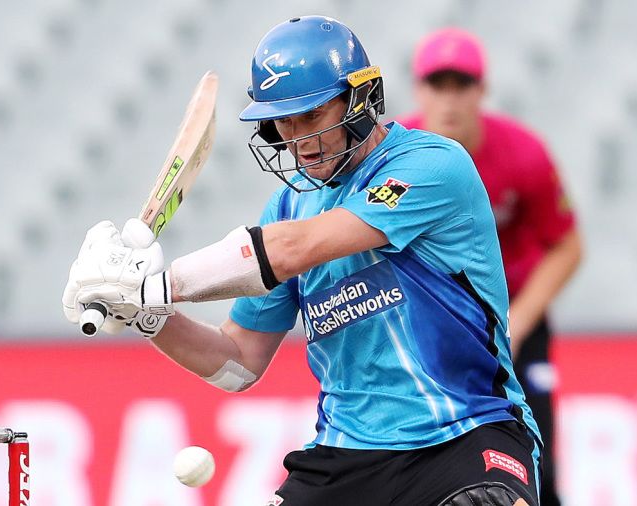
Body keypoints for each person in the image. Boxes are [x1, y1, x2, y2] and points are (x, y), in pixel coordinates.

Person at [63, 16, 542, 506]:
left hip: (466, 434)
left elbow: (296, 249)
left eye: (312, 116)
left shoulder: (432, 165)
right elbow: (238, 362)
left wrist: (158, 284)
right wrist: (147, 315)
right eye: (284, 122)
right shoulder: (288, 207)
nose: (299, 140)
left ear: (360, 99)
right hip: (346, 456)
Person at [395, 28, 583, 506]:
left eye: (462, 85)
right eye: (438, 85)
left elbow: (567, 247)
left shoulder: (523, 153)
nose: (449, 100)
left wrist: (516, 322)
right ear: (419, 90)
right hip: (429, 323)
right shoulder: (391, 160)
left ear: (482, 90)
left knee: (538, 466)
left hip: (513, 318)